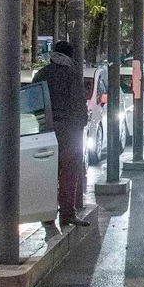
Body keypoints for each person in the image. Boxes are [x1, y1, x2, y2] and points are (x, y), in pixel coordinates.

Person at [33, 40, 90, 227]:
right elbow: (79, 104)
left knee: (49, 171)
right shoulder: (72, 75)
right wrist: (80, 125)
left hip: (46, 129)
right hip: (69, 132)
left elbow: (34, 102)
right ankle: (67, 213)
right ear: (70, 56)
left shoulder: (42, 74)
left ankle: (47, 215)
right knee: (69, 171)